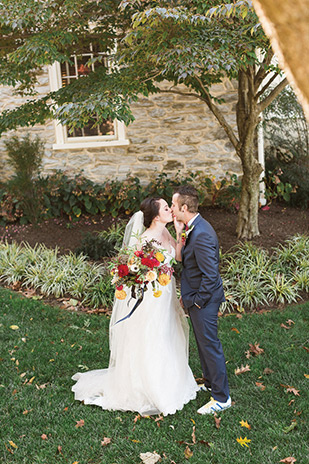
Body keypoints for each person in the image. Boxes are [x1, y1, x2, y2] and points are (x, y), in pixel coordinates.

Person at [72, 197, 199, 416]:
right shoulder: (144, 240)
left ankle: (169, 379)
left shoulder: (165, 233)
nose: (171, 210)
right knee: (152, 336)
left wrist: (179, 233)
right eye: (167, 208)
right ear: (157, 216)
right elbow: (134, 271)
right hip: (151, 298)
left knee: (169, 334)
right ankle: (147, 386)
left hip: (166, 294)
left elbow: (176, 258)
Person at [171, 185, 231, 415]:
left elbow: (211, 276)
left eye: (174, 205)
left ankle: (222, 397)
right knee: (203, 345)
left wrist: (195, 302)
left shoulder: (203, 234)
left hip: (204, 301)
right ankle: (209, 382)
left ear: (184, 207)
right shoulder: (191, 228)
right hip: (196, 298)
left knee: (210, 345)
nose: (172, 209)